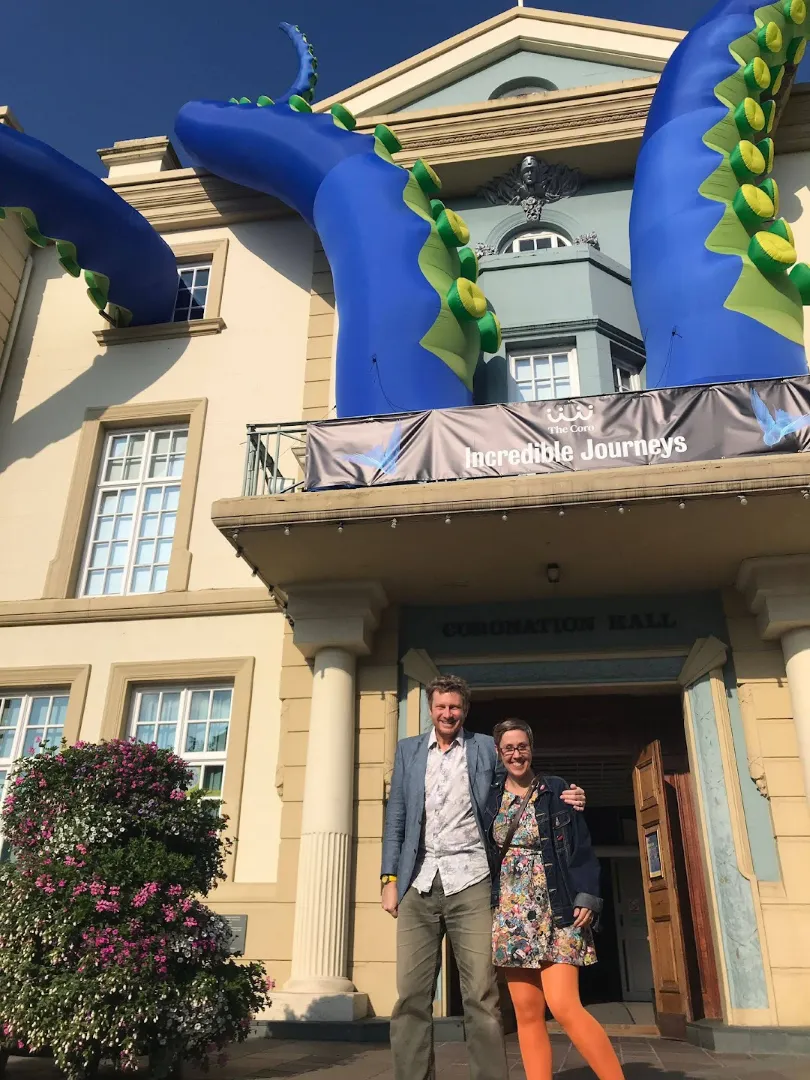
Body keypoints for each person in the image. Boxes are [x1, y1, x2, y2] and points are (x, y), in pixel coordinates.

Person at [380, 675, 587, 1080]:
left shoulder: (482, 749)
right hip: (417, 884)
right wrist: (389, 878)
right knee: (411, 997)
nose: (447, 714)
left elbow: (520, 778)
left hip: (472, 882)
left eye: (455, 707)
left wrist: (564, 791)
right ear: (430, 708)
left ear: (465, 711)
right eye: (441, 706)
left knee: (481, 996)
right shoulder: (408, 751)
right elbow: (397, 818)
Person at [488, 717, 625, 1080]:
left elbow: (580, 846)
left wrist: (588, 895)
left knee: (565, 1006)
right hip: (511, 913)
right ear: (499, 753)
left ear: (531, 749)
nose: (516, 754)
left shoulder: (556, 789)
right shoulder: (489, 795)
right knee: (527, 1012)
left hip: (558, 905)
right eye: (508, 748)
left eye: (522, 747)